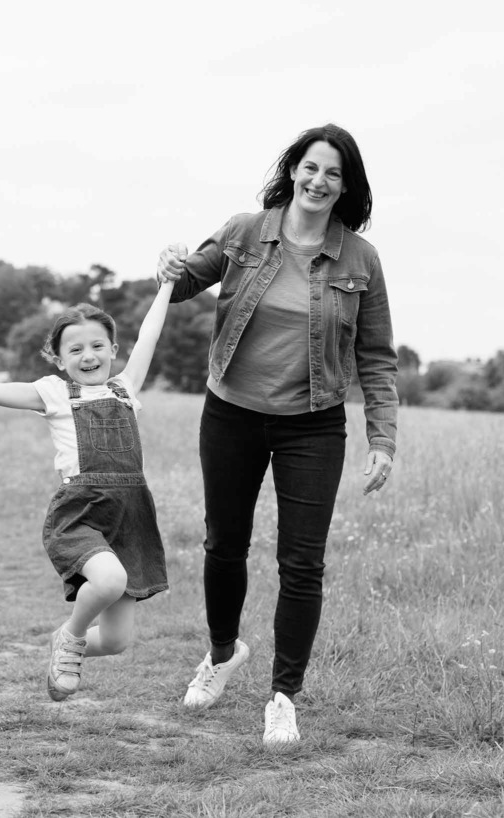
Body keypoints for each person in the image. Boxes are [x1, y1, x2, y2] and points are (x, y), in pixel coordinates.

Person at [156, 123, 398, 745]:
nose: (319, 182)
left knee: (302, 563)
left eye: (334, 174)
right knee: (224, 544)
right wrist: (169, 263)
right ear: (293, 170)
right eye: (311, 168)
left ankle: (283, 695)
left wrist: (382, 438)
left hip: (313, 424)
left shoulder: (359, 259)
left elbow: (376, 356)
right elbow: (182, 283)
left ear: (348, 187)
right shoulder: (245, 231)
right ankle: (220, 653)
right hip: (231, 411)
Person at [0, 282, 175, 701]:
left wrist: (168, 285)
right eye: (75, 350)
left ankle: (65, 640)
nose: (88, 356)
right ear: (58, 358)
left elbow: (151, 334)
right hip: (82, 512)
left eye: (97, 346)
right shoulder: (53, 392)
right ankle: (71, 636)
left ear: (112, 349)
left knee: (115, 641)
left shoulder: (126, 388)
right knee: (108, 581)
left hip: (131, 516)